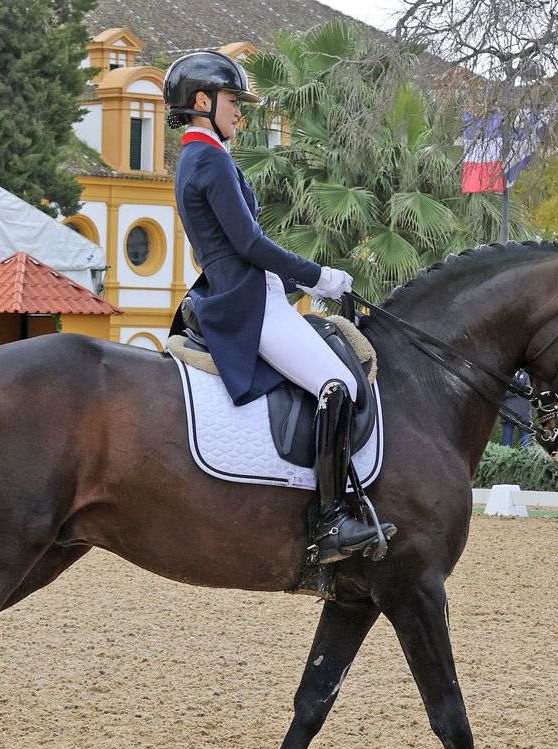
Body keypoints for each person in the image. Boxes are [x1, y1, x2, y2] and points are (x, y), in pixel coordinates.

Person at [164, 49, 391, 564]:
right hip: (250, 305)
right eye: (231, 101)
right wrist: (320, 277)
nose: (239, 112)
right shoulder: (209, 160)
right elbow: (250, 245)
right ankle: (330, 520)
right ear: (202, 101)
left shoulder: (198, 158)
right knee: (339, 385)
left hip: (255, 295)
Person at [499, 370, 532, 447]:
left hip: (524, 414)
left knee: (526, 446)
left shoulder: (526, 375)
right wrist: (520, 390)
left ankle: (526, 459)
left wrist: (512, 389)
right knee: (506, 446)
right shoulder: (506, 374)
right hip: (508, 414)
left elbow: (529, 391)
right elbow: (501, 392)